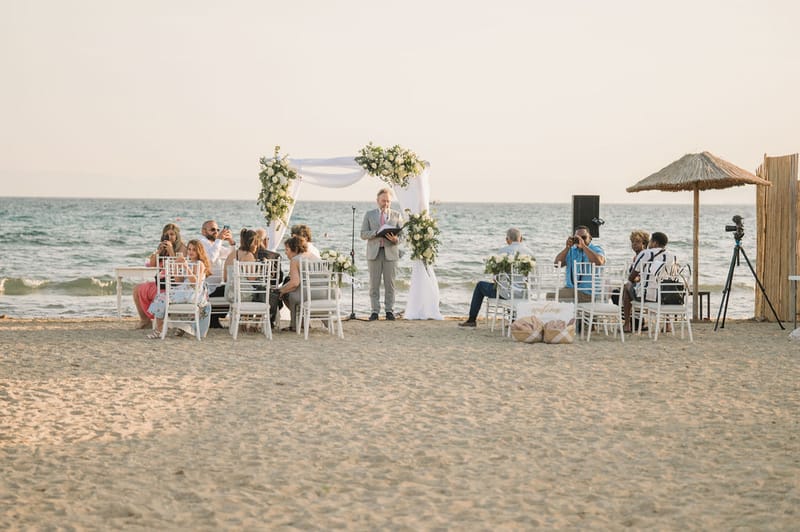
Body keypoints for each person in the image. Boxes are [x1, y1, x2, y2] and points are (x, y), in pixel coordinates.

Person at [458, 228, 534, 328]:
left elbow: (496, 278)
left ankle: (472, 320)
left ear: (507, 240)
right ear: (521, 239)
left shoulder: (503, 252)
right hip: (525, 294)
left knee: (481, 285)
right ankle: (513, 320)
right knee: (510, 286)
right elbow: (533, 278)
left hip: (506, 294)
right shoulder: (530, 253)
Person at [146, 239, 211, 339]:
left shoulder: (200, 264)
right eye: (189, 249)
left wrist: (185, 266)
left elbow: (195, 282)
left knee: (161, 298)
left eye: (194, 250)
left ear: (199, 251)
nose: (191, 252)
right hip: (184, 290)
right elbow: (178, 281)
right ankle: (164, 328)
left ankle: (159, 330)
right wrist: (177, 266)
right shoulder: (189, 262)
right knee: (160, 297)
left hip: (192, 292)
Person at [132, 223, 188, 329]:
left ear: (177, 235)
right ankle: (145, 320)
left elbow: (179, 268)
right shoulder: (164, 248)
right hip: (162, 282)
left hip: (175, 285)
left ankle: (157, 319)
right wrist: (159, 251)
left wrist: (171, 251)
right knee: (137, 289)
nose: (169, 237)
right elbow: (152, 264)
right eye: (166, 235)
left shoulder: (183, 249)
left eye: (172, 234)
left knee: (152, 291)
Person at [360, 188, 404, 321]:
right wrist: (376, 232)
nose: (386, 203)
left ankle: (389, 311)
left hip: (391, 253)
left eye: (388, 201)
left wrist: (397, 240)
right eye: (383, 201)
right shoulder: (369, 214)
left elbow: (403, 235)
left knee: (390, 284)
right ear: (377, 201)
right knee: (374, 284)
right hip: (374, 253)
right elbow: (363, 234)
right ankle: (374, 311)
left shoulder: (397, 215)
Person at [623, 231, 678, 333]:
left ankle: (627, 325)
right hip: (665, 296)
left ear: (655, 243)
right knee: (664, 286)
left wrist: (637, 279)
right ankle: (668, 325)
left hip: (646, 296)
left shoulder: (645, 253)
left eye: (651, 241)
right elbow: (673, 276)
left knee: (627, 287)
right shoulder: (672, 256)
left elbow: (632, 277)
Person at [554, 225, 606, 303]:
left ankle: (567, 314)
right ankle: (568, 314)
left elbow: (599, 262)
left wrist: (584, 246)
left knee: (553, 297)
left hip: (587, 291)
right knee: (551, 295)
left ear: (590, 238)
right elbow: (557, 264)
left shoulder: (596, 249)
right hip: (571, 289)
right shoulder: (572, 250)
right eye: (577, 238)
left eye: (584, 237)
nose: (581, 240)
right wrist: (567, 247)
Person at [278, 235, 317, 332]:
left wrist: (280, 290)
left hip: (308, 295)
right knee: (291, 291)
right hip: (323, 294)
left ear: (294, 249)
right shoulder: (313, 256)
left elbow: (295, 283)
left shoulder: (295, 260)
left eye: (287, 250)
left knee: (286, 294)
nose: (285, 253)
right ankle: (303, 322)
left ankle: (295, 325)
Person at [618, 230, 649, 330]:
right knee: (620, 291)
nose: (634, 244)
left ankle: (628, 324)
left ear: (644, 244)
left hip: (643, 288)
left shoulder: (644, 256)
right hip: (639, 286)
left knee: (624, 290)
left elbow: (645, 274)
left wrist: (636, 279)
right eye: (632, 242)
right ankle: (636, 321)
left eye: (637, 242)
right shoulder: (636, 257)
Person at [255, 227, 284, 328]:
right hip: (270, 295)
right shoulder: (276, 256)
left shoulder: (248, 255)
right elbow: (279, 279)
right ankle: (269, 320)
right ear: (266, 240)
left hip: (252, 293)